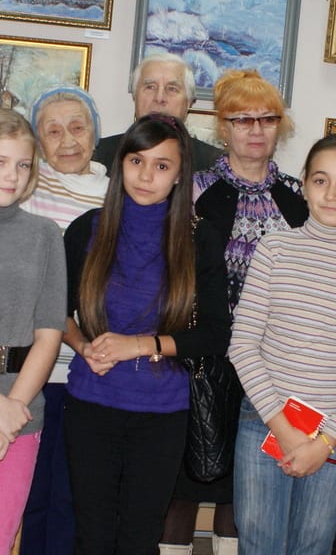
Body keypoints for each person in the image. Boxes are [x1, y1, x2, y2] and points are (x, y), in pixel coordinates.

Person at [62, 113, 231, 554]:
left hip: (161, 413)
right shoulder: (87, 229)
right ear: (121, 163)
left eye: (162, 165)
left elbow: (215, 335)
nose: (146, 175)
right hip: (90, 404)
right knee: (92, 535)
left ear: (179, 175)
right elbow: (55, 312)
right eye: (137, 161)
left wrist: (138, 345)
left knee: (140, 538)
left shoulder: (199, 238)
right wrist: (84, 346)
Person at [160, 70, 307, 555]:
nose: (255, 129)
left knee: (245, 491)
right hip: (202, 361)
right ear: (223, 127)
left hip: (274, 366)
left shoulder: (299, 198)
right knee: (184, 486)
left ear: (280, 126)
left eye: (267, 119)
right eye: (243, 119)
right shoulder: (193, 191)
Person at [229, 132, 336, 555]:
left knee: (313, 546)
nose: (332, 194)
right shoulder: (274, 249)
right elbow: (243, 345)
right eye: (321, 180)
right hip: (265, 421)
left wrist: (324, 442)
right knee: (258, 545)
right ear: (303, 184)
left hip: (335, 432)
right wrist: (284, 431)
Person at [20, 86, 109, 555]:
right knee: (32, 493)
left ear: (95, 132)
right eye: (53, 131)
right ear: (38, 141)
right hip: (31, 374)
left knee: (74, 496)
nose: (68, 140)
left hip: (91, 373)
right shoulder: (25, 191)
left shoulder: (117, 194)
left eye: (78, 127)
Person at [0, 109, 66, 554]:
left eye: (23, 164)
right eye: (2, 161)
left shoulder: (45, 235)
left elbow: (49, 333)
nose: (12, 175)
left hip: (20, 412)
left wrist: (12, 408)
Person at [93, 53, 221, 172]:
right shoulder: (98, 156)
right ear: (135, 96)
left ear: (189, 102)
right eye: (150, 87)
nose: (159, 98)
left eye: (172, 89)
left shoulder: (215, 165)